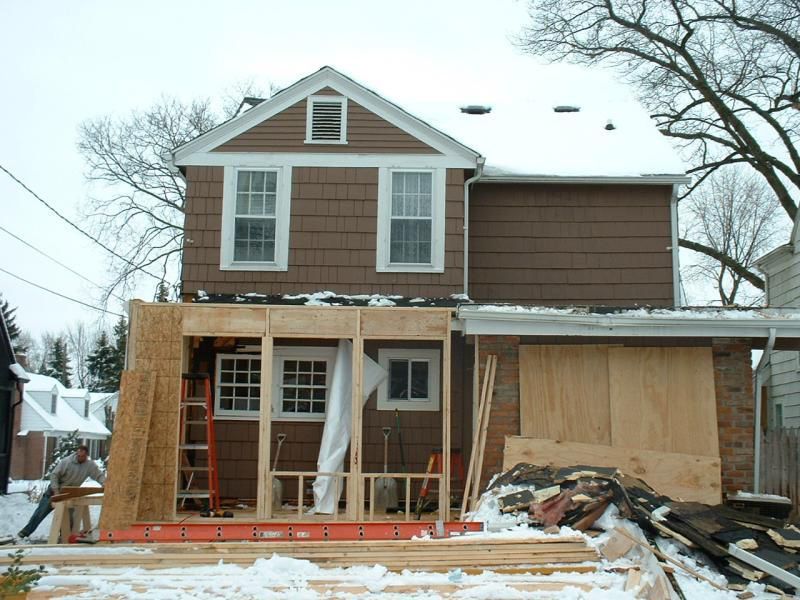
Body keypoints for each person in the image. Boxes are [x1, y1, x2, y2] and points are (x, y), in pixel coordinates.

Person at [18, 444, 106, 539]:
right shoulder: (66, 462)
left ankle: (64, 536)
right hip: (54, 491)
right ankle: (25, 532)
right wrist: (56, 491)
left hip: (70, 494)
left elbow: (98, 475)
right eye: (79, 455)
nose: (80, 457)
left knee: (68, 519)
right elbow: (54, 475)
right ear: (76, 453)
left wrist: (104, 484)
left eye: (83, 456)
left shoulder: (90, 465)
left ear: (86, 456)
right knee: (40, 513)